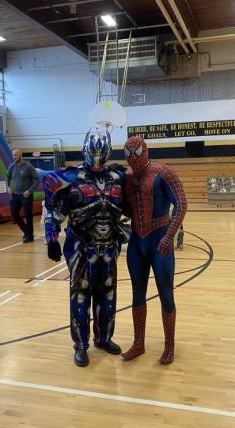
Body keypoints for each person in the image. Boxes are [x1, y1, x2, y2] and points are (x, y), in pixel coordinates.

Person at [42, 131, 127, 367]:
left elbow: (132, 205)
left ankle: (104, 338)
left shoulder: (118, 177)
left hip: (110, 245)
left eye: (102, 153)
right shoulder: (70, 178)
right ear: (86, 151)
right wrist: (51, 239)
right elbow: (52, 212)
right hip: (80, 244)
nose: (98, 158)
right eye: (94, 153)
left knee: (107, 292)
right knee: (80, 294)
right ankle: (80, 345)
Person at [121, 136, 187, 365]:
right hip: (138, 242)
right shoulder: (126, 178)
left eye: (136, 153)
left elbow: (181, 204)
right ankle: (139, 343)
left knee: (165, 294)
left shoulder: (163, 172)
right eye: (129, 154)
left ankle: (169, 346)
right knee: (137, 294)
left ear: (145, 151)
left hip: (160, 240)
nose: (133, 158)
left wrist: (169, 236)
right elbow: (123, 207)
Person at [7, 149, 40, 243]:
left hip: (26, 195)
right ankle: (26, 231)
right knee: (14, 213)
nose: (14, 157)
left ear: (20, 155)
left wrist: (29, 191)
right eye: (13, 155)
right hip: (16, 194)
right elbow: (8, 177)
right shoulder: (12, 166)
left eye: (16, 155)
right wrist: (8, 186)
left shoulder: (28, 166)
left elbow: (37, 180)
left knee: (28, 216)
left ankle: (30, 236)